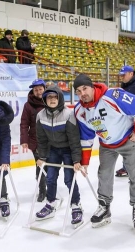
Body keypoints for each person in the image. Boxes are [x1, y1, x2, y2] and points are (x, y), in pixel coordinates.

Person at [73, 73, 135, 234]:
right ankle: (104, 207)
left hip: (129, 140)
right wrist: (85, 161)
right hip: (106, 145)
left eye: (85, 88)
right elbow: (86, 137)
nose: (82, 94)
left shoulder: (112, 96)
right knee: (104, 175)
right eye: (78, 91)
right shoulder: (80, 111)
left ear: (92, 87)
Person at [35, 85, 83, 228]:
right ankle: (50, 204)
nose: (52, 100)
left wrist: (76, 159)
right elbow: (42, 139)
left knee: (69, 179)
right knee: (50, 177)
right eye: (49, 97)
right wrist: (42, 157)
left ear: (60, 98)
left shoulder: (69, 114)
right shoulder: (40, 115)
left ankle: (76, 205)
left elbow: (74, 139)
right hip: (53, 150)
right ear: (45, 99)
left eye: (55, 97)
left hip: (68, 150)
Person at [20, 79, 47, 202]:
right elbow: (24, 124)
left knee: (50, 166)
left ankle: (50, 188)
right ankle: (42, 190)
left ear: (44, 89)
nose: (38, 91)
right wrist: (24, 140)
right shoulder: (28, 105)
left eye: (40, 89)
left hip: (51, 140)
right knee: (40, 165)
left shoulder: (50, 100)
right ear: (33, 91)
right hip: (35, 141)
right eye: (35, 90)